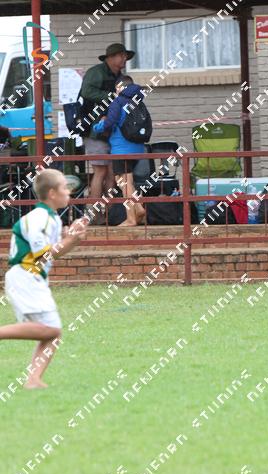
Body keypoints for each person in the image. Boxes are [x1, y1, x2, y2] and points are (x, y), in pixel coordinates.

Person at [0, 169, 87, 389]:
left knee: (52, 332)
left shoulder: (52, 218)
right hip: (25, 276)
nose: (68, 191)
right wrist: (70, 240)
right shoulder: (39, 218)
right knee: (52, 329)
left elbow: (53, 253)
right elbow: (43, 255)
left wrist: (71, 239)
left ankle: (33, 380)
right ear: (52, 193)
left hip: (32, 277)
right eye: (64, 187)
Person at [79, 43, 134, 210]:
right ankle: (94, 215)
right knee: (100, 171)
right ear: (110, 57)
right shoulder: (96, 72)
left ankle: (109, 215)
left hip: (111, 132)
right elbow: (86, 92)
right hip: (94, 131)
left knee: (111, 172)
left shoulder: (119, 76)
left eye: (125, 56)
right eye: (122, 55)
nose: (125, 59)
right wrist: (113, 97)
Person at [93, 76, 147, 227]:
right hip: (137, 148)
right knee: (125, 181)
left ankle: (131, 218)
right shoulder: (138, 101)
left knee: (124, 182)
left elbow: (109, 123)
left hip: (121, 149)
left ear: (120, 87)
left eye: (116, 88)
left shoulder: (118, 102)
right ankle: (138, 208)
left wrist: (97, 127)